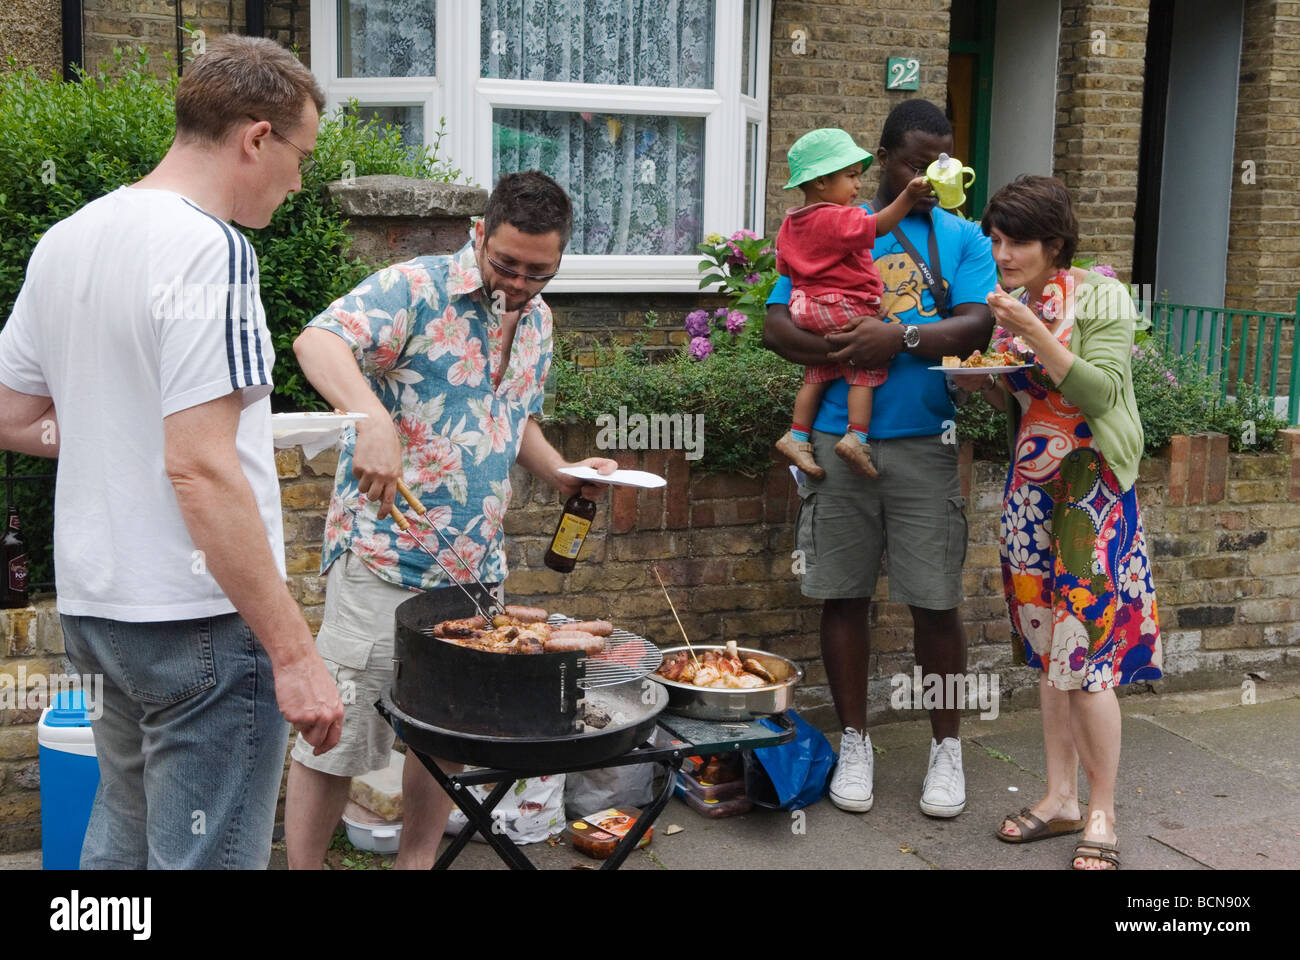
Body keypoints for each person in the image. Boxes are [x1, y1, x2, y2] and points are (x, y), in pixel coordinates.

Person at [0, 35, 344, 868]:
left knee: (121, 836)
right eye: (300, 155)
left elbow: (14, 417)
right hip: (200, 626)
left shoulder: (68, 237)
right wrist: (295, 654)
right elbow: (198, 463)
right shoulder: (212, 250)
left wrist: (111, 438)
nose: (299, 183)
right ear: (256, 138)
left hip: (99, 611)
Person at [284, 170, 617, 870]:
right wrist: (371, 418)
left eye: (539, 271)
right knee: (337, 733)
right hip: (382, 556)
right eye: (507, 264)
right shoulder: (415, 288)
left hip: (472, 570)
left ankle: (415, 865)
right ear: (479, 235)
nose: (520, 283)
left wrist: (561, 472)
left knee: (441, 735)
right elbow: (317, 342)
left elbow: (510, 417)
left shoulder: (540, 321)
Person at [763, 99, 997, 817]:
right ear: (884, 160)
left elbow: (979, 320)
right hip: (838, 441)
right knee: (844, 594)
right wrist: (846, 347)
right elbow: (776, 325)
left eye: (940, 161)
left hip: (926, 441)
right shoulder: (835, 229)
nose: (928, 173)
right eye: (914, 163)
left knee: (936, 603)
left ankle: (946, 750)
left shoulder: (961, 237)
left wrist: (894, 341)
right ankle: (856, 741)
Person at [950, 175, 1161, 870]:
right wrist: (978, 378)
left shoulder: (1100, 297)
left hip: (1091, 493)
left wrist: (1033, 332)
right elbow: (1024, 392)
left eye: (1015, 241)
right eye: (997, 240)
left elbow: (1099, 388)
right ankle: (1059, 796)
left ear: (1054, 244)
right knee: (1049, 653)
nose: (1002, 253)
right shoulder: (1015, 301)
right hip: (1030, 494)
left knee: (1090, 658)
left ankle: (1102, 809)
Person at [774, 127, 935, 480]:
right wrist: (907, 195)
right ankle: (856, 438)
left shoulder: (790, 223)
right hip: (840, 302)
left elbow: (784, 267)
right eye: (849, 177)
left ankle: (797, 434)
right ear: (819, 182)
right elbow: (878, 226)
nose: (858, 186)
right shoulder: (837, 216)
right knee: (867, 361)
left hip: (805, 306)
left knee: (817, 374)